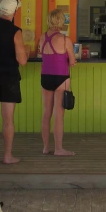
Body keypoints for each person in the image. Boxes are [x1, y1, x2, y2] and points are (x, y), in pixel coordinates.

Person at [0, 0, 30, 165]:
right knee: (7, 119)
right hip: (9, 78)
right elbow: (22, 61)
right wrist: (26, 49)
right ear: (14, 12)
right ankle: (7, 155)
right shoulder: (15, 31)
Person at [39, 8, 76, 156]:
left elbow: (42, 54)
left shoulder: (42, 37)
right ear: (61, 21)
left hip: (45, 77)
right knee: (58, 115)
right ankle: (59, 149)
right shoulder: (65, 40)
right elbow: (72, 61)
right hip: (61, 77)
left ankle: (46, 147)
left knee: (47, 113)